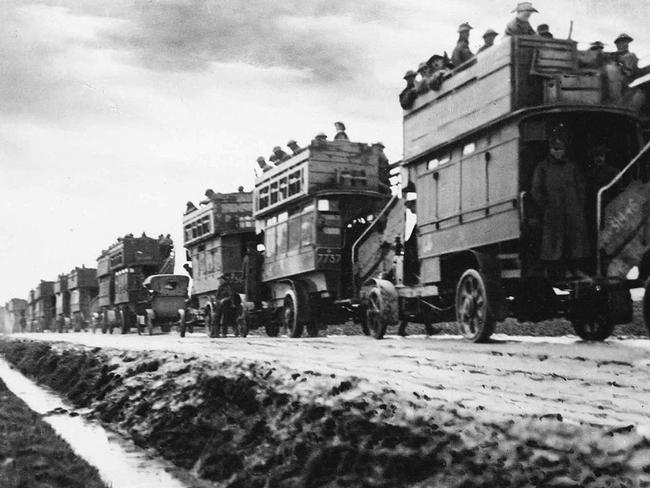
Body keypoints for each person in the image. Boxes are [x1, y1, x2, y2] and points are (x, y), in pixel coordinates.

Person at [531, 138, 590, 279]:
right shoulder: (543, 167)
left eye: (560, 149)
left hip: (573, 211)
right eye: (554, 149)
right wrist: (546, 206)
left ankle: (575, 270)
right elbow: (536, 190)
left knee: (575, 243)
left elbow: (581, 186)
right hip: (553, 212)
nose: (557, 152)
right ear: (550, 150)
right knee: (556, 245)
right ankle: (560, 272)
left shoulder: (572, 167)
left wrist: (579, 204)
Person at [242, 241, 263, 309]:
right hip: (252, 278)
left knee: (255, 294)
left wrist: (243, 277)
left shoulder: (249, 257)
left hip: (254, 278)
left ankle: (257, 306)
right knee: (254, 294)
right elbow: (244, 269)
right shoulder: (256, 256)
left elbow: (244, 269)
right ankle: (256, 306)